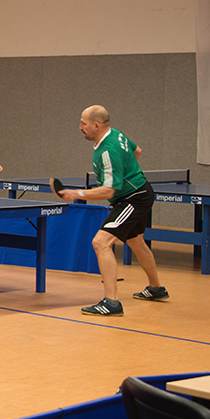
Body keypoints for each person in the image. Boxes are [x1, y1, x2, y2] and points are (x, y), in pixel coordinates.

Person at [58, 105, 168, 316]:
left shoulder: (108, 151)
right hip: (139, 192)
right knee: (136, 241)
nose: (80, 127)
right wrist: (128, 175)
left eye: (83, 123)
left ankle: (111, 303)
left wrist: (76, 194)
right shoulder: (116, 134)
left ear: (96, 125)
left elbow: (109, 190)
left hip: (133, 199)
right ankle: (156, 289)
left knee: (101, 242)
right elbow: (137, 150)